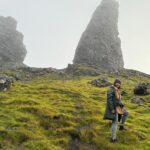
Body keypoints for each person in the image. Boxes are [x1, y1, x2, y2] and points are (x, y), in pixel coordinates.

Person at [103, 79, 128, 143]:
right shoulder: (111, 89)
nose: (118, 84)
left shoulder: (117, 90)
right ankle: (113, 139)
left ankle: (121, 126)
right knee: (115, 122)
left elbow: (118, 100)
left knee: (126, 113)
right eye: (117, 83)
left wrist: (122, 104)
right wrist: (112, 109)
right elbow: (109, 100)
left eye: (119, 83)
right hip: (114, 108)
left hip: (118, 106)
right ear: (114, 83)